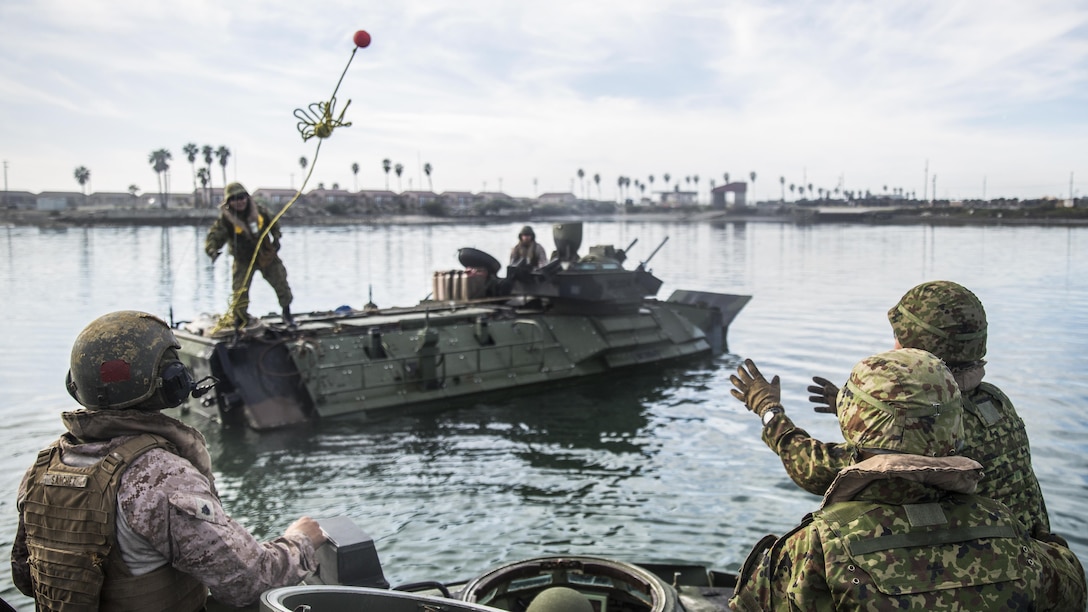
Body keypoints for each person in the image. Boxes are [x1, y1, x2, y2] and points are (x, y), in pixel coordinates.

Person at [10, 311, 327, 610]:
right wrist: (301, 542)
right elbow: (247, 582)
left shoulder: (42, 468)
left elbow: (26, 578)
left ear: (77, 386)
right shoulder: (159, 476)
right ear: (171, 382)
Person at [728, 349, 1086, 610]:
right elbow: (1072, 587)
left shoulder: (815, 549)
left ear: (851, 422)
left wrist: (770, 411)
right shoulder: (1010, 533)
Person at [760, 280, 1051, 537]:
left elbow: (817, 468)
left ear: (918, 348)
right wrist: (863, 411)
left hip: (978, 576)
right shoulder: (995, 401)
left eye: (899, 336)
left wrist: (769, 410)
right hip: (1024, 565)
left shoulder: (935, 430)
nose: (894, 344)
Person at [205, 182, 294, 326]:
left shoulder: (260, 212)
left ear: (247, 198)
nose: (239, 202)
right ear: (229, 202)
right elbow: (214, 236)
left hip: (266, 255)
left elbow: (274, 224)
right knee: (239, 291)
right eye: (234, 199)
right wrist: (212, 250)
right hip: (243, 259)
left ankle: (287, 314)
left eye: (241, 197)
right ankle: (240, 319)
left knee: (281, 282)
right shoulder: (226, 219)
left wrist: (276, 238)